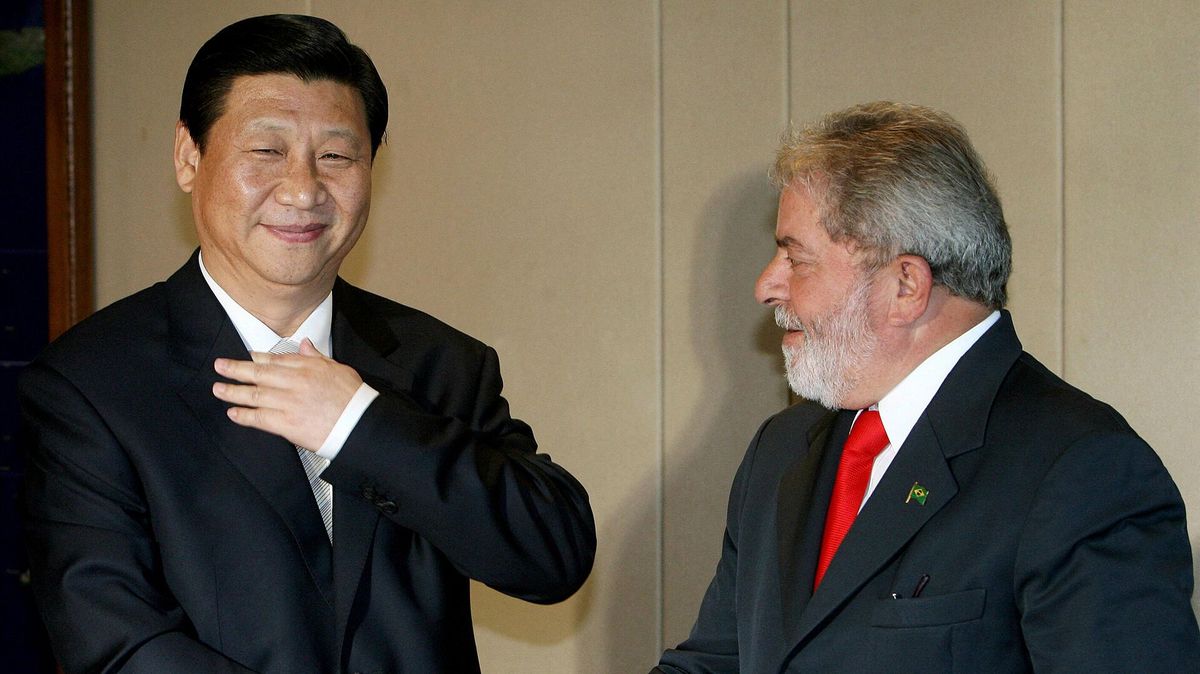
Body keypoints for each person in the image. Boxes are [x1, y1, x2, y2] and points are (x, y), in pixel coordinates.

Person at [19, 14, 595, 673]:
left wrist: (360, 425)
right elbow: (117, 645)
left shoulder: (440, 363)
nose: (302, 189)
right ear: (188, 157)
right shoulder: (90, 385)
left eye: (336, 156)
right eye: (266, 152)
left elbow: (552, 556)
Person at [653, 102, 1199, 672]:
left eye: (797, 257)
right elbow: (716, 661)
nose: (768, 285)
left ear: (907, 285)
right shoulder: (781, 450)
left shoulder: (1081, 470)